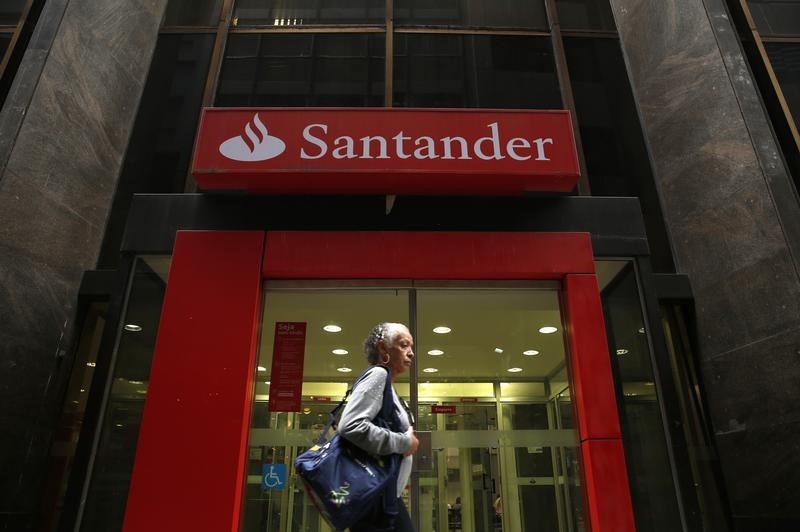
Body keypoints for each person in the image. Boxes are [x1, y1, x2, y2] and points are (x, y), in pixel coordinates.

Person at [338, 322, 420, 531]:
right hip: (376, 499)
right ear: (383, 349)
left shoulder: (387, 384)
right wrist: (403, 442)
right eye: (404, 345)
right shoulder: (378, 375)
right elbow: (351, 426)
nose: (411, 353)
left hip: (381, 497)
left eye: (411, 346)